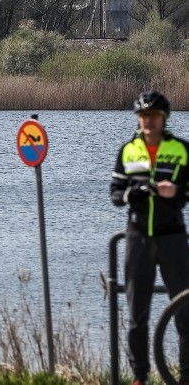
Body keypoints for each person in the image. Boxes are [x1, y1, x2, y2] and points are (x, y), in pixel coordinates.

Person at [111, 90, 189, 385]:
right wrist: (133, 193)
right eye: (143, 117)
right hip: (138, 237)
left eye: (153, 116)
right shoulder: (128, 151)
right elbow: (115, 195)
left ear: (163, 119)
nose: (148, 121)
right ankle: (140, 377)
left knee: (184, 311)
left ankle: (186, 377)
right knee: (136, 313)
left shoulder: (182, 150)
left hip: (173, 237)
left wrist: (176, 192)